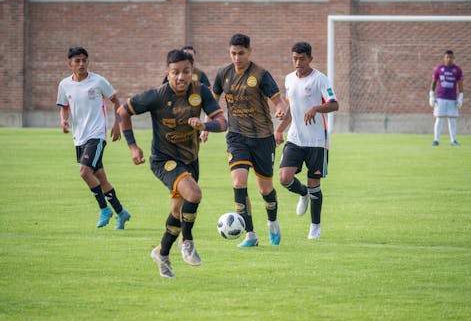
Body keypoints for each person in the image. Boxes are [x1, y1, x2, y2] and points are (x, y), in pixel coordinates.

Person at [117, 49, 226, 278]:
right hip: (163, 160)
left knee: (177, 213)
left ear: (192, 72)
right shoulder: (156, 95)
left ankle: (162, 253)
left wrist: (204, 126)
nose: (180, 77)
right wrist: (133, 146)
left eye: (186, 72)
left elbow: (222, 122)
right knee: (194, 194)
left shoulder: (201, 92)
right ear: (167, 73)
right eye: (175, 72)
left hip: (190, 160)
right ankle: (187, 241)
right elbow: (122, 111)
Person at [212, 33, 288, 248]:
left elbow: (278, 101)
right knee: (238, 182)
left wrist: (281, 110)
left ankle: (272, 222)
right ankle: (250, 234)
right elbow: (212, 103)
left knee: (265, 189)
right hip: (237, 137)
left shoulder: (261, 74)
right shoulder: (223, 74)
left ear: (249, 52)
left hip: (262, 138)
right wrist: (206, 126)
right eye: (233, 53)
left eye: (241, 53)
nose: (237, 57)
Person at [56, 47, 131, 230]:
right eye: (77, 61)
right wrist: (64, 121)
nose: (81, 64)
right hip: (78, 137)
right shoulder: (64, 85)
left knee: (84, 172)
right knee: (101, 179)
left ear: (88, 61)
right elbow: (64, 107)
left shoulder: (98, 81)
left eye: (84, 60)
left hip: (96, 135)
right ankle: (121, 213)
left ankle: (104, 209)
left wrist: (116, 125)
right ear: (70, 64)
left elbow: (117, 102)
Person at [275, 42, 339, 240]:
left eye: (302, 58)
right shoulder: (289, 79)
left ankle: (315, 227)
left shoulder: (321, 80)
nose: (298, 62)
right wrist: (278, 130)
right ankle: (301, 193)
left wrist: (315, 108)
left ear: (310, 58)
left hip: (317, 141)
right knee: (284, 178)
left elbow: (334, 104)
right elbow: (290, 109)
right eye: (295, 58)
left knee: (315, 184)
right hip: (295, 138)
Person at [428, 50, 464, 146]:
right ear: (444, 58)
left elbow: (460, 85)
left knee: (452, 120)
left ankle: (453, 140)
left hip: (452, 99)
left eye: (451, 57)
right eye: (447, 57)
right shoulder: (439, 69)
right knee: (439, 119)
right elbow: (434, 83)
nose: (449, 59)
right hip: (441, 98)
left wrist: (460, 98)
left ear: (454, 58)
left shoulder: (457, 70)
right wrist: (431, 95)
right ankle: (436, 140)